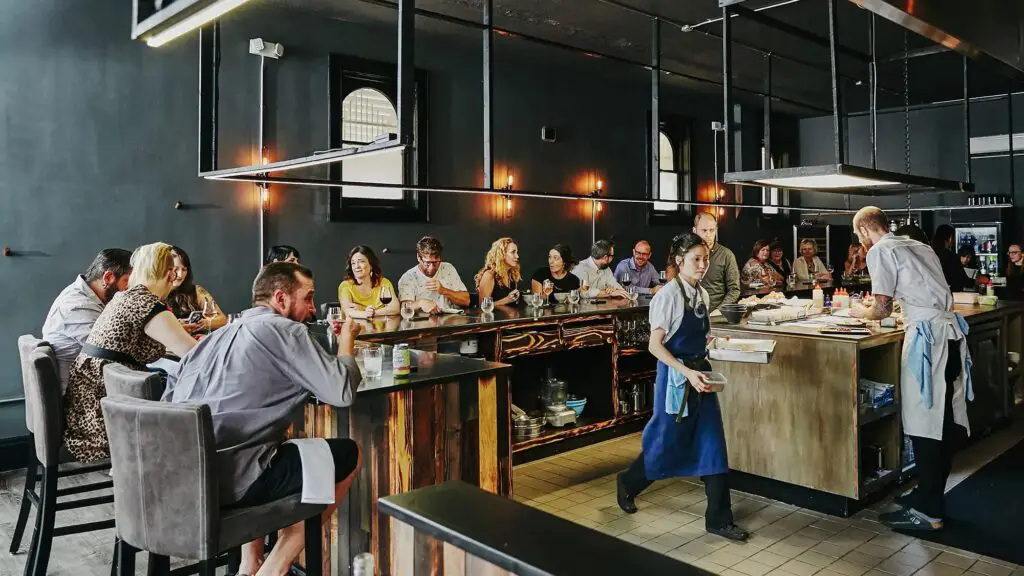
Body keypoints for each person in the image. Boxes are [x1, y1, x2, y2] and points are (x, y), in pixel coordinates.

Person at [166, 262, 363, 576]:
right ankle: (275, 568)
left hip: (183, 476)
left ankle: (249, 564)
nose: (313, 308)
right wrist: (347, 341)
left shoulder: (220, 333)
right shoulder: (286, 330)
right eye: (308, 298)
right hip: (232, 482)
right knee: (349, 455)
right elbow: (342, 392)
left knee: (266, 440)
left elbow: (170, 398)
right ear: (281, 299)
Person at [616, 233, 747, 541]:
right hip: (676, 380)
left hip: (701, 376)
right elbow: (655, 346)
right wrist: (687, 372)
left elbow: (701, 336)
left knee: (713, 443)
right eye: (696, 259)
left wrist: (716, 343)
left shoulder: (701, 294)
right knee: (667, 442)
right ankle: (629, 482)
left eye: (705, 259)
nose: (702, 265)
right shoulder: (667, 296)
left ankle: (719, 519)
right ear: (679, 261)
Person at [850, 207, 973, 531]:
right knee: (942, 421)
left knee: (925, 423)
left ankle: (929, 512)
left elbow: (881, 308)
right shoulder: (919, 245)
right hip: (949, 336)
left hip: (927, 342)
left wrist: (858, 313)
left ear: (864, 230)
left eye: (858, 235)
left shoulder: (880, 251)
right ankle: (929, 494)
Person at [63, 243, 198, 463]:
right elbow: (195, 353)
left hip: (89, 410)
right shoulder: (147, 304)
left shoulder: (124, 298)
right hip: (107, 422)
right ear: (169, 274)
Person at [42, 249, 133, 390]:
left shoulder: (84, 295)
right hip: (79, 392)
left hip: (91, 381)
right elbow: (111, 350)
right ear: (108, 277)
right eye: (128, 281)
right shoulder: (78, 304)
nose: (130, 289)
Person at [397, 236, 470, 314]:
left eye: (435, 262)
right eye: (427, 263)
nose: (431, 268)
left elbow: (466, 301)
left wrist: (444, 290)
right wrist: (420, 303)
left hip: (452, 318)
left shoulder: (448, 268)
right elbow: (404, 309)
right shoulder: (408, 277)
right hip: (424, 321)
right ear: (418, 257)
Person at [167, 245, 227, 334]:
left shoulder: (197, 291)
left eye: (184, 269)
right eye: (176, 269)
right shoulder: (155, 294)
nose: (180, 275)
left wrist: (206, 323)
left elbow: (223, 319)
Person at [691, 212, 740, 312]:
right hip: (690, 312)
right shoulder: (687, 254)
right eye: (704, 230)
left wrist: (719, 311)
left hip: (715, 314)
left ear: (716, 230)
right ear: (694, 231)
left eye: (711, 230)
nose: (708, 235)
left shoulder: (726, 255)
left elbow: (734, 290)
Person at [338, 245, 400, 319]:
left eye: (361, 262)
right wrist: (366, 313)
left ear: (371, 264)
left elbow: (395, 308)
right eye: (353, 263)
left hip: (382, 326)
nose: (356, 266)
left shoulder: (384, 282)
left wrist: (370, 312)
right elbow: (348, 311)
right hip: (355, 326)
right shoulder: (345, 285)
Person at [475, 237, 522, 306]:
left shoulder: (511, 274)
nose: (517, 256)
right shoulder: (489, 275)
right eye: (513, 252)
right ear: (501, 254)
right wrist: (507, 300)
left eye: (517, 252)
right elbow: (483, 306)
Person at [931, 225, 979, 292]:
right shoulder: (950, 257)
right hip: (951, 294)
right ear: (950, 238)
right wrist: (977, 281)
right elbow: (963, 280)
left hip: (933, 292)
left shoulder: (930, 253)